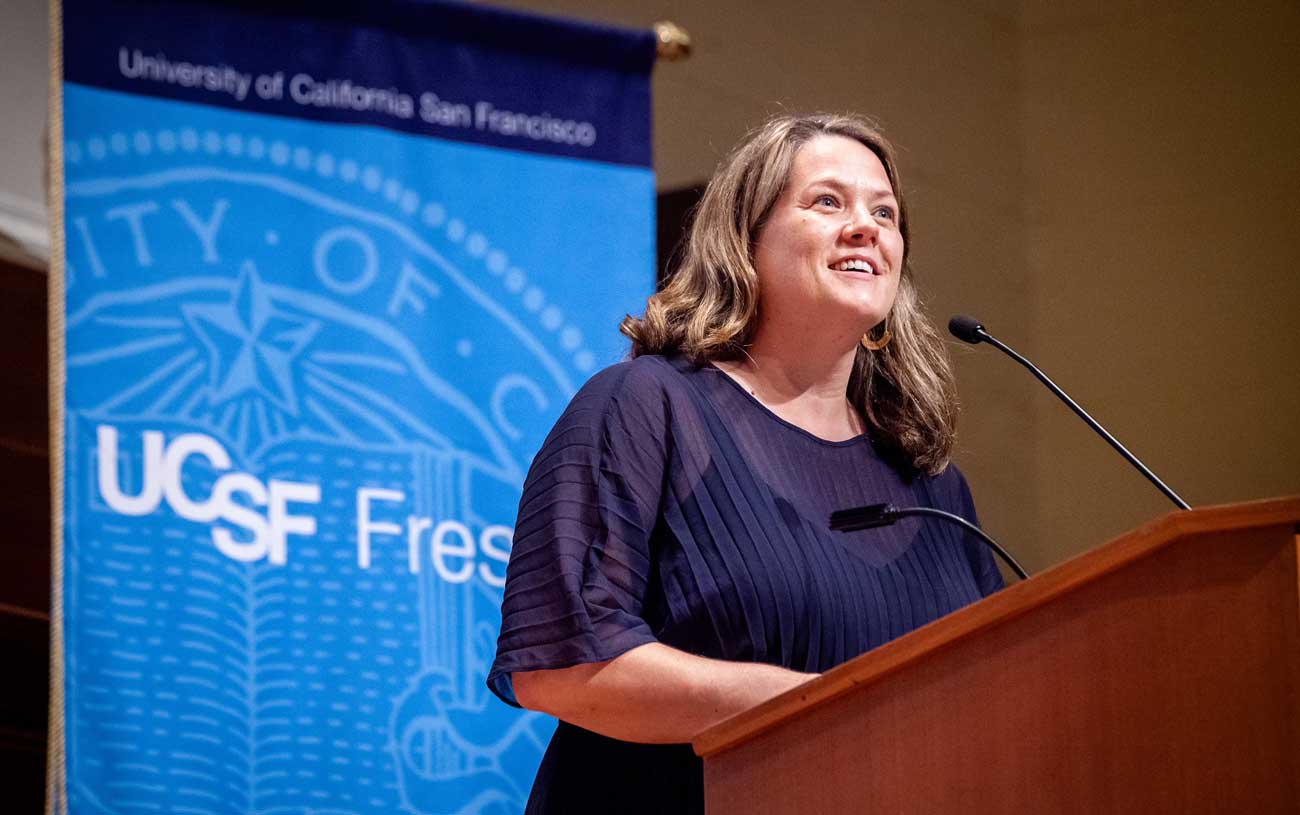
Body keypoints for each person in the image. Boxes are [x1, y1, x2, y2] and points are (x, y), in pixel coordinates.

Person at [486, 112, 1004, 814]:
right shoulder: (647, 407)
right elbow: (562, 664)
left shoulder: (933, 482)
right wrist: (815, 705)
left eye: (884, 212)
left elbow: (995, 701)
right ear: (744, 239)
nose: (867, 227)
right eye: (828, 201)